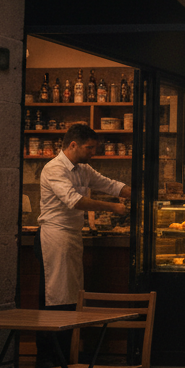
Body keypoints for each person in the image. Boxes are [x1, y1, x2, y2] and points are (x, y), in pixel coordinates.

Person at [39, 124, 131, 308]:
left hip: (72, 235)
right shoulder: (54, 169)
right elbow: (75, 201)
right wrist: (114, 207)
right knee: (56, 295)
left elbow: (111, 185)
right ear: (73, 145)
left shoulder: (84, 169)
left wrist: (141, 194)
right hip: (55, 236)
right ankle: (54, 336)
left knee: (72, 294)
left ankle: (71, 335)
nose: (93, 153)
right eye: (89, 148)